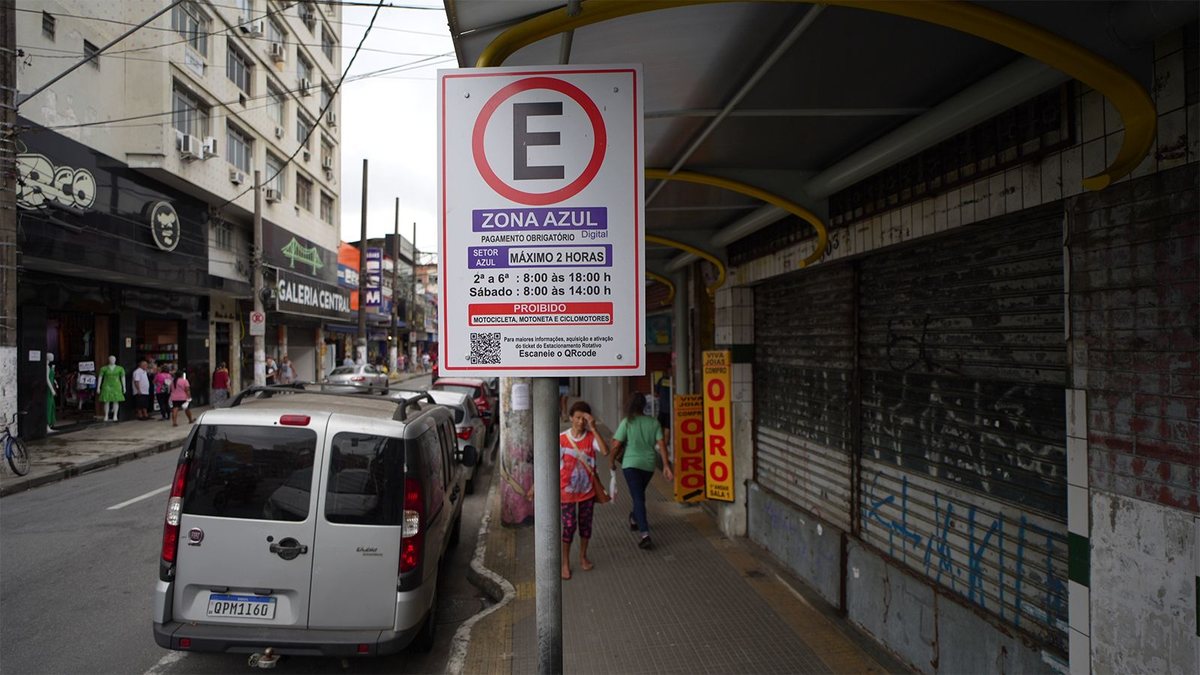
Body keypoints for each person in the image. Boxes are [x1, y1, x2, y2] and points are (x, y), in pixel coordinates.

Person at [610, 392, 673, 550]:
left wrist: (611, 462)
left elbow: (616, 445)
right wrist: (666, 465)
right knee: (638, 495)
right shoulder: (653, 423)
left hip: (630, 464)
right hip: (648, 465)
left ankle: (645, 534)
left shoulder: (627, 422)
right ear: (644, 405)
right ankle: (634, 518)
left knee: (638, 498)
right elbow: (662, 445)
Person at [560, 400, 609, 579]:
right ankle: (565, 562)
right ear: (571, 417)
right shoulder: (562, 439)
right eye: (578, 418)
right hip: (566, 492)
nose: (580, 422)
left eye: (584, 419)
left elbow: (605, 451)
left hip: (587, 492)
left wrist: (594, 428)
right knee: (569, 526)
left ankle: (583, 557)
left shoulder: (590, 437)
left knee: (585, 526)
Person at [97, 355, 126, 422]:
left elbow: (123, 377)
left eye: (113, 359)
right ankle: (106, 415)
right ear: (108, 360)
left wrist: (124, 387)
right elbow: (100, 377)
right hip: (106, 385)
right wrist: (98, 387)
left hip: (117, 385)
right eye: (111, 359)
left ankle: (115, 415)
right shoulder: (104, 368)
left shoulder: (120, 368)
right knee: (106, 401)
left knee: (116, 401)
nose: (112, 360)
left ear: (115, 360)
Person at [46, 353, 57, 432]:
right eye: (51, 356)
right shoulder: (46, 367)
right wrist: (52, 389)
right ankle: (47, 426)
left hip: (51, 387)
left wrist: (56, 383)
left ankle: (49, 425)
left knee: (51, 405)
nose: (52, 357)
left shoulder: (49, 366)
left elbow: (51, 378)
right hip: (48, 389)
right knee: (48, 406)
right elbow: (47, 379)